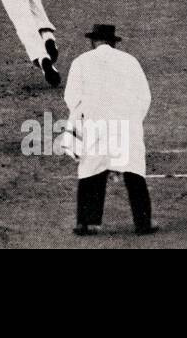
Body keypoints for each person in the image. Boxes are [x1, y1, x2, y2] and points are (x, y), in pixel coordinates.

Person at [63, 24, 156, 236]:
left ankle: (87, 223)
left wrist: (83, 117)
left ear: (93, 42)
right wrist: (133, 120)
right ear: (114, 42)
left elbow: (71, 98)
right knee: (133, 172)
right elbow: (144, 97)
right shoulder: (130, 61)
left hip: (94, 121)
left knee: (91, 171)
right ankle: (143, 222)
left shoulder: (80, 62)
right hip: (126, 121)